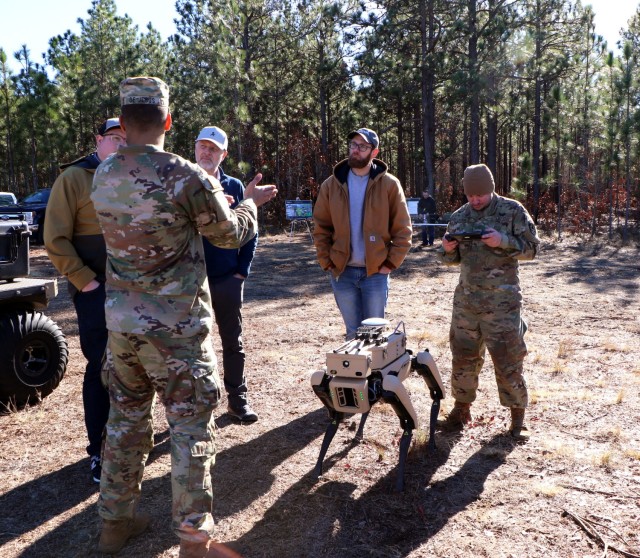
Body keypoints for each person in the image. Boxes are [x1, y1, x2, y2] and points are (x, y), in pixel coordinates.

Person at [90, 76, 276, 557]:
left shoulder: (104, 174)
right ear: (168, 121)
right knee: (191, 428)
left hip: (122, 329)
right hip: (176, 332)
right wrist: (251, 206)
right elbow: (229, 234)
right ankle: (193, 540)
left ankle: (114, 523)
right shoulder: (183, 174)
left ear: (124, 121)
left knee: (125, 424)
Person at [44, 117, 126, 484]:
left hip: (136, 292)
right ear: (99, 140)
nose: (121, 144)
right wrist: (86, 282)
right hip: (97, 292)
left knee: (136, 368)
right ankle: (99, 451)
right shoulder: (74, 179)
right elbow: (55, 238)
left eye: (127, 137)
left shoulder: (135, 174)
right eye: (114, 138)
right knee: (100, 369)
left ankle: (131, 440)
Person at [438, 163, 539, 439]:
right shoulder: (459, 216)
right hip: (467, 304)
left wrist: (503, 240)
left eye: (479, 195)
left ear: (491, 189)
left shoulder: (512, 211)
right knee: (463, 359)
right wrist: (446, 250)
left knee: (508, 360)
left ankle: (518, 418)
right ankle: (461, 409)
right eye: (470, 196)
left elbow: (532, 249)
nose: (475, 200)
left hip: (502, 304)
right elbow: (451, 260)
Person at [313, 127, 412, 339]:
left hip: (375, 273)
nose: (356, 150)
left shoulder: (389, 185)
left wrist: (390, 264)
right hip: (343, 273)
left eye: (363, 147)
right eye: (353, 145)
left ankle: (374, 373)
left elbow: (403, 230)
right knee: (352, 333)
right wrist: (327, 262)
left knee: (373, 335)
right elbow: (321, 228)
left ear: (374, 153)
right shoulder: (331, 185)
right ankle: (353, 373)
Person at [194, 125, 259, 423]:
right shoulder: (182, 184)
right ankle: (198, 406)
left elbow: (251, 232)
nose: (207, 152)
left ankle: (238, 400)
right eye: (202, 146)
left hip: (226, 280)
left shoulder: (234, 187)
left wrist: (240, 274)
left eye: (213, 148)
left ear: (224, 154)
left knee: (233, 342)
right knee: (192, 346)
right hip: (191, 284)